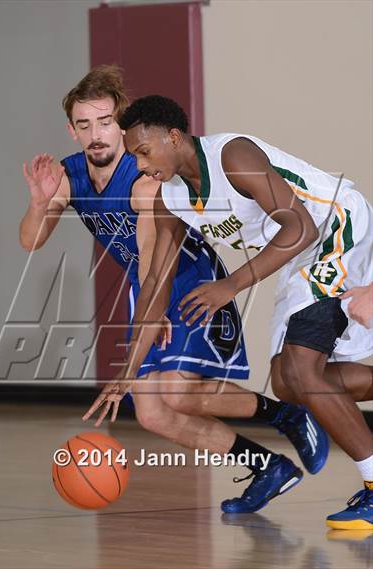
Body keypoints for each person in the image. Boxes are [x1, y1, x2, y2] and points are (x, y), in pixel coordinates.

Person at [20, 67, 328, 514]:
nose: (96, 134)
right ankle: (267, 467)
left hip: (184, 279)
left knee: (179, 395)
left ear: (120, 122)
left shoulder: (145, 177)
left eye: (105, 122)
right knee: (152, 414)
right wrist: (37, 203)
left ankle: (287, 415)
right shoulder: (68, 177)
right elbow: (31, 241)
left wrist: (154, 308)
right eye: (84, 125)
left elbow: (152, 254)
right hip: (143, 288)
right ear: (72, 130)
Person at [92, 94, 372, 528]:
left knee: (301, 370)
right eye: (134, 157)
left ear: (173, 135)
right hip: (301, 255)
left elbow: (301, 226)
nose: (141, 165)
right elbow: (154, 284)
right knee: (290, 383)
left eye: (144, 152)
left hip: (334, 226)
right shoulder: (170, 198)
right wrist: (128, 369)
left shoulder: (232, 156)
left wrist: (230, 286)